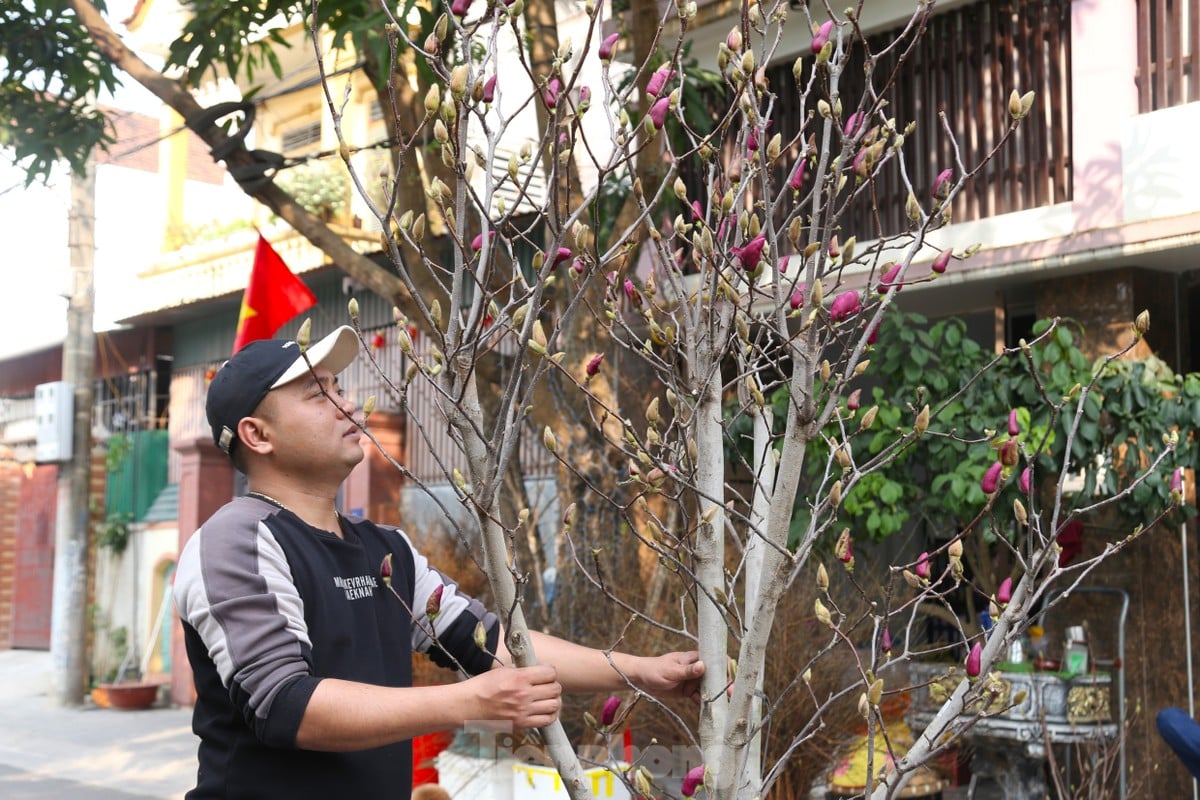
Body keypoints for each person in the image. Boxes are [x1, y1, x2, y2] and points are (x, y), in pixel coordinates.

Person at [173, 325, 705, 799]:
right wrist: (467, 702)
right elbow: (286, 705)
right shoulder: (235, 542)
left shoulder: (387, 550)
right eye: (317, 395)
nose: (347, 405)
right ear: (257, 435)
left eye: (338, 388)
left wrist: (639, 672)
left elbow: (490, 643)